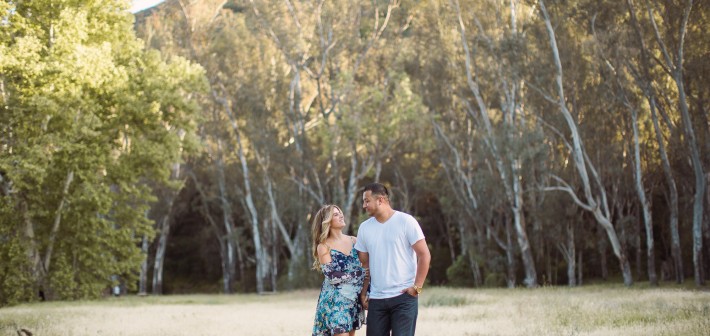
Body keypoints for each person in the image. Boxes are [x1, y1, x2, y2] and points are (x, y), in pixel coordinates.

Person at [355, 183, 431, 336]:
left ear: (381, 200)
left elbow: (424, 255)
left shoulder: (406, 221)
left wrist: (417, 287)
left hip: (403, 297)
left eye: (367, 201)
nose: (364, 205)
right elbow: (365, 265)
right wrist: (364, 293)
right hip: (376, 299)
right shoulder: (364, 228)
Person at [311, 204, 367, 336]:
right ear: (327, 221)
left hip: (353, 299)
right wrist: (359, 273)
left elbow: (367, 266)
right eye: (335, 214)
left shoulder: (354, 241)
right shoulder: (323, 246)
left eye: (340, 213)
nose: (341, 215)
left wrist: (366, 293)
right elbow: (332, 276)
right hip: (335, 300)